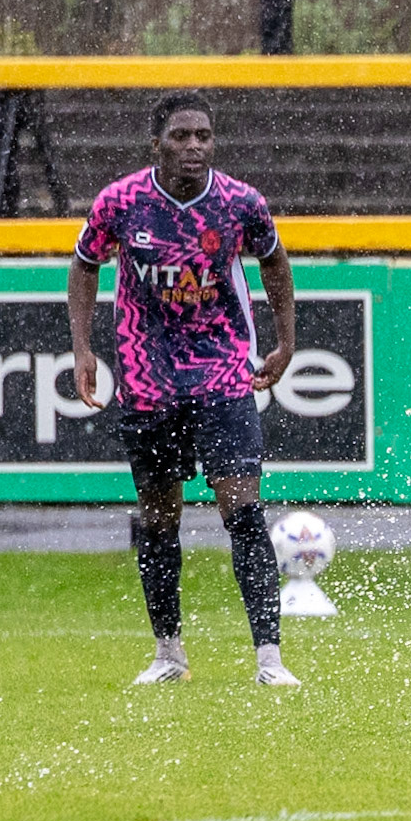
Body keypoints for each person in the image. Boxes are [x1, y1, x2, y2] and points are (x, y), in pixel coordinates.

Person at [67, 92, 301, 687]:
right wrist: (84, 346)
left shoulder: (241, 203)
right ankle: (169, 654)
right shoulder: (120, 202)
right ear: (157, 144)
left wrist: (285, 340)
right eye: (181, 136)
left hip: (222, 370)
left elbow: (274, 262)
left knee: (242, 508)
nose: (194, 146)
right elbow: (85, 264)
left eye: (203, 136)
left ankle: (269, 659)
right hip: (148, 376)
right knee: (158, 517)